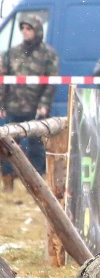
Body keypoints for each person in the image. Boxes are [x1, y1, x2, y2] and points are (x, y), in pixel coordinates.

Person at [0, 14, 59, 187]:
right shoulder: (12, 53)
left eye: (29, 28)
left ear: (37, 30)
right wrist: (1, 103)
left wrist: (44, 104)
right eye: (23, 29)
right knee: (9, 145)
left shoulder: (48, 54)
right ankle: (8, 182)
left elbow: (51, 82)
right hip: (13, 107)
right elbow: (3, 80)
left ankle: (36, 183)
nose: (25, 32)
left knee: (36, 146)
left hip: (35, 108)